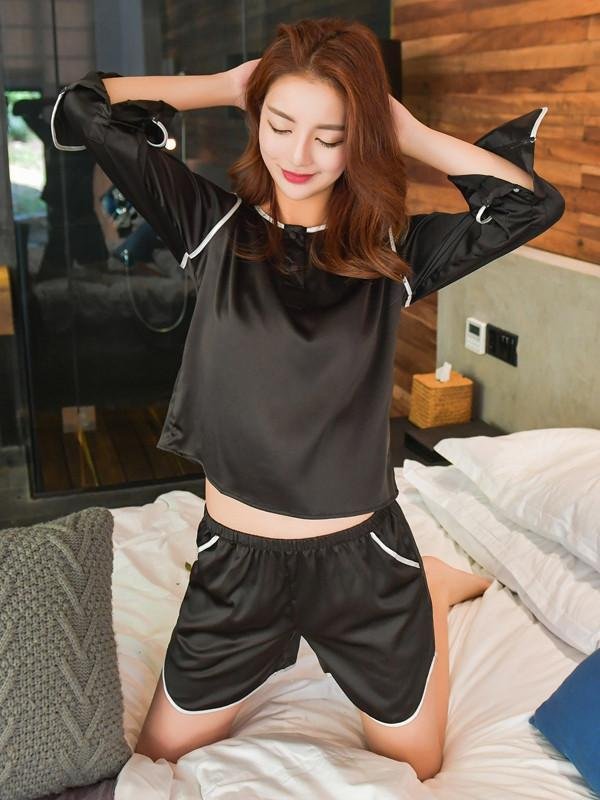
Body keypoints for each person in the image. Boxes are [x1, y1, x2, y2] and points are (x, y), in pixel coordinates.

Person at [51, 17, 564, 781]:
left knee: (419, 769)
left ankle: (423, 589)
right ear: (256, 118)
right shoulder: (211, 225)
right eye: (280, 124)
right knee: (155, 760)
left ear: (361, 141)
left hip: (364, 569)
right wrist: (225, 86)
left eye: (331, 136)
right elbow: (83, 108)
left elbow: (530, 207)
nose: (298, 156)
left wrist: (407, 131)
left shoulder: (391, 253)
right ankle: (423, 583)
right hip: (235, 568)